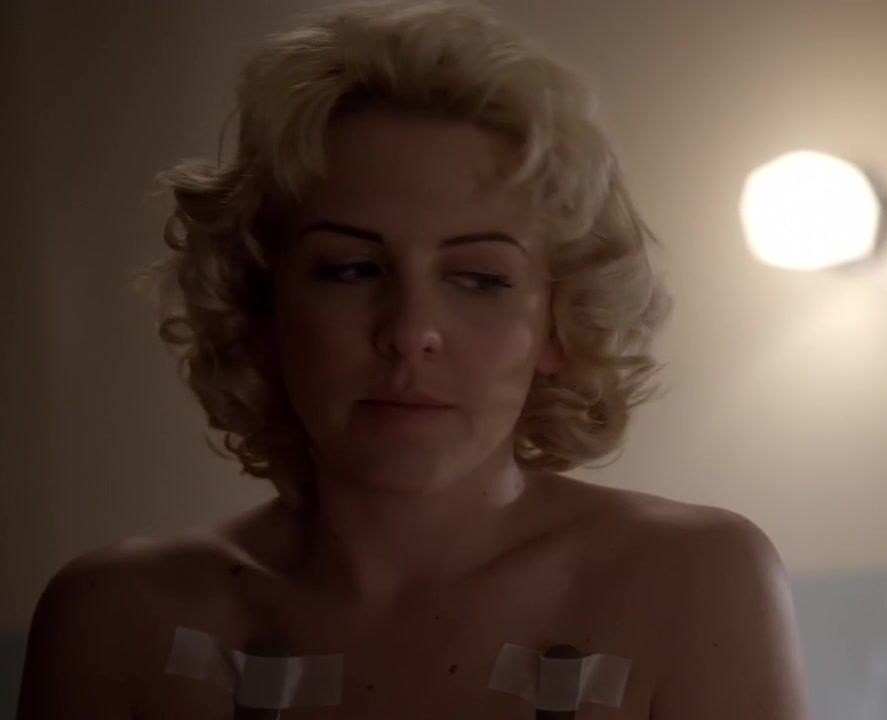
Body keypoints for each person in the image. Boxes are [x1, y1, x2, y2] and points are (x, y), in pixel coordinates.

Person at [16, 1, 810, 717]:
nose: (410, 330)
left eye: (479, 278)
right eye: (351, 270)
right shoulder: (118, 622)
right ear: (260, 307)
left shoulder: (688, 585)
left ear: (560, 324)